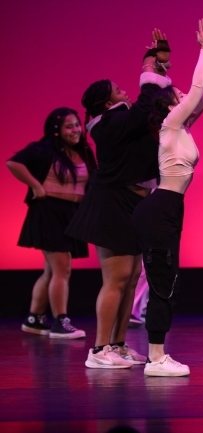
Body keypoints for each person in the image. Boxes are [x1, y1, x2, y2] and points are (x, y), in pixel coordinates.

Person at [66, 29, 173, 369]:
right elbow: (144, 106)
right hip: (111, 204)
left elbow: (151, 105)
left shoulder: (120, 118)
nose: (123, 89)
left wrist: (159, 61)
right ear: (107, 102)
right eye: (116, 89)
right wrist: (146, 67)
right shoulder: (105, 124)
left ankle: (119, 344)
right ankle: (99, 351)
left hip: (134, 203)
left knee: (131, 278)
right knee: (116, 278)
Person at [133, 19, 203, 376]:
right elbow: (195, 89)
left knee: (167, 278)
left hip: (169, 208)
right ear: (169, 106)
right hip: (160, 209)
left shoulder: (182, 127)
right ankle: (155, 357)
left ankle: (157, 354)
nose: (185, 98)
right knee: (161, 279)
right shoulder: (170, 125)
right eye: (178, 98)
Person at [7, 108, 96, 339]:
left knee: (52, 270)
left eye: (77, 125)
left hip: (71, 213)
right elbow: (13, 163)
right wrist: (36, 185)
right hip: (48, 212)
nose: (75, 130)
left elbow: (94, 180)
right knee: (62, 268)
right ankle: (60, 321)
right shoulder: (45, 149)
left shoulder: (83, 152)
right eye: (69, 126)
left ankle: (34, 318)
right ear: (56, 130)